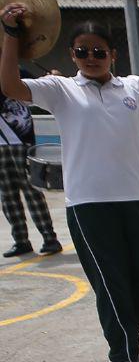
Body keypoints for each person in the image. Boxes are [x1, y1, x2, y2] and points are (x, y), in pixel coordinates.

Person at [0, 9, 139, 362]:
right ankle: (121, 353)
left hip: (135, 199)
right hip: (88, 204)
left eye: (99, 51)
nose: (91, 58)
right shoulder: (60, 89)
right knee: (111, 280)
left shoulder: (135, 88)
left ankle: (125, 330)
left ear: (113, 55)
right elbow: (11, 87)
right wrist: (10, 34)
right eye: (82, 51)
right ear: (72, 55)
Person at [0, 73, 61, 257]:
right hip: (1, 144)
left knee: (31, 191)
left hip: (19, 140)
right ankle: (21, 240)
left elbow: (34, 87)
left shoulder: (12, 69)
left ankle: (50, 238)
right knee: (7, 195)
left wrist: (49, 77)